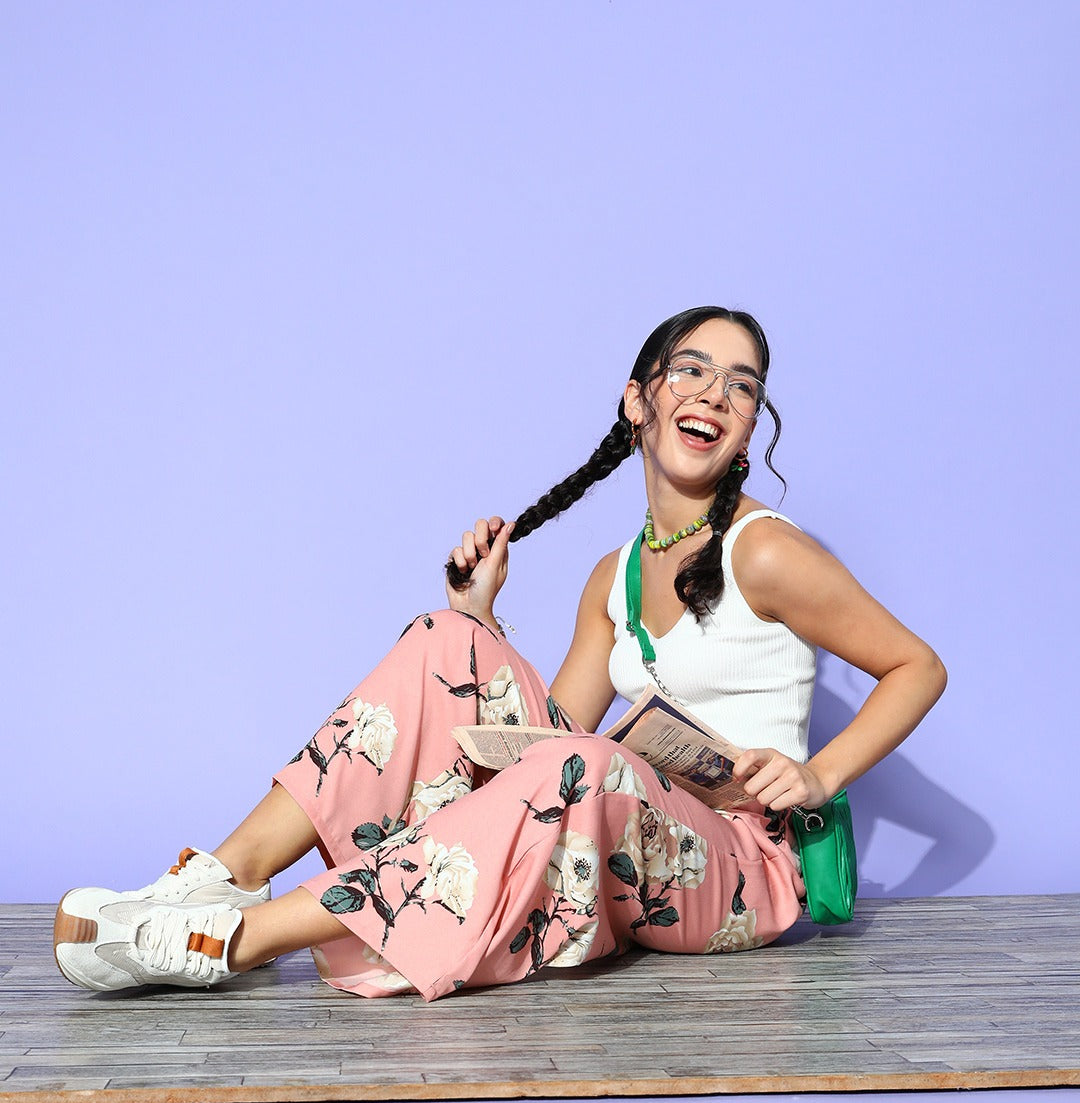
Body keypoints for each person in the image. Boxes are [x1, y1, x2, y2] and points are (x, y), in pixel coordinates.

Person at [53, 306, 947, 999]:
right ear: (638, 401)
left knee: (589, 769)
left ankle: (234, 943)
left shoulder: (767, 550)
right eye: (691, 370)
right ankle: (224, 880)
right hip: (640, 841)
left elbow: (918, 667)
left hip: (748, 868)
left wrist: (819, 775)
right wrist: (478, 617)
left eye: (742, 386)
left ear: (750, 429)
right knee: (446, 640)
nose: (715, 394)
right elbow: (550, 741)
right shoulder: (614, 575)